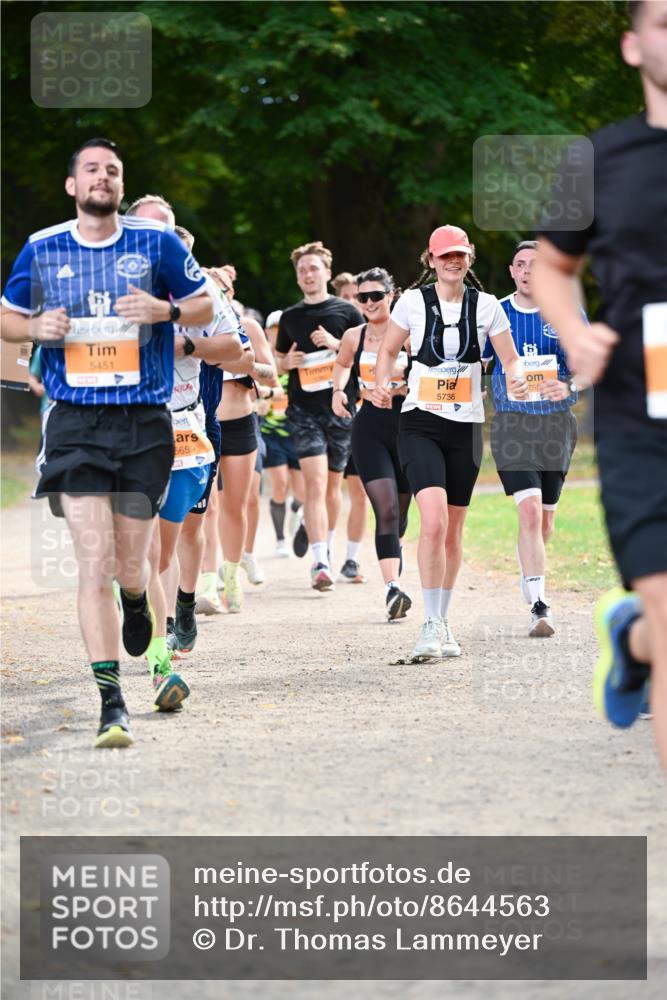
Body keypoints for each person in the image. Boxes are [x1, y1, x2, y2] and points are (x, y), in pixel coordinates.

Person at [0, 138, 214, 747]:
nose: (102, 177)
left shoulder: (157, 244)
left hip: (145, 422)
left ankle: (138, 600)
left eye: (112, 171)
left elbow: (203, 305)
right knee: (92, 560)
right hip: (76, 423)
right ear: (73, 185)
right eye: (91, 169)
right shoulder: (44, 247)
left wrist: (163, 311)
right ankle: (111, 701)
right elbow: (6, 317)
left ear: (121, 185)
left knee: (129, 561)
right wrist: (35, 326)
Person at [532, 0, 667, 768]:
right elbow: (554, 264)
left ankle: (631, 635)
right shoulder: (598, 159)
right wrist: (575, 332)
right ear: (629, 45)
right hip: (640, 421)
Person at [373, 225, 528, 660]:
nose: (453, 262)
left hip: (465, 428)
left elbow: (510, 359)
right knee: (434, 522)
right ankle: (428, 623)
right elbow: (387, 351)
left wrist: (516, 382)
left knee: (454, 529)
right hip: (420, 423)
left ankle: (443, 619)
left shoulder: (487, 308)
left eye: (459, 255)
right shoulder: (412, 303)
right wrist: (382, 384)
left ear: (470, 258)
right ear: (431, 260)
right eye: (445, 256)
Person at [483, 240, 580, 637]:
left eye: (535, 265)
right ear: (511, 271)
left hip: (556, 425)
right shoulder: (494, 312)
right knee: (530, 512)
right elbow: (475, 363)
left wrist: (569, 385)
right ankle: (541, 605)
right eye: (520, 265)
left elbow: (585, 365)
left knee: (545, 521)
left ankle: (530, 568)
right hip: (512, 425)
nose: (527, 271)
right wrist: (486, 386)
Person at [274, 241, 364, 591]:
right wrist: (288, 363)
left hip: (340, 409)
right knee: (314, 484)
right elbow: (279, 358)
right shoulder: (290, 317)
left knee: (331, 488)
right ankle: (321, 561)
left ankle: (322, 543)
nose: (308, 275)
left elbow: (365, 355)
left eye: (313, 269)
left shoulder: (348, 312)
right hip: (303, 411)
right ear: (298, 278)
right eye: (302, 271)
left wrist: (334, 343)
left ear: (327, 273)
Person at [332, 267, 413, 619]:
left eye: (376, 296)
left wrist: (402, 388)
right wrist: (338, 390)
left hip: (410, 427)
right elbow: (341, 363)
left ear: (391, 296)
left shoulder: (410, 332)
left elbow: (426, 370)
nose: (369, 302)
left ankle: (393, 550)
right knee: (386, 509)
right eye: (362, 297)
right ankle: (392, 589)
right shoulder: (354, 335)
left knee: (402, 511)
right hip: (368, 427)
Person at [213, 276, 278, 612]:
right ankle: (208, 582)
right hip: (202, 423)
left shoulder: (247, 326)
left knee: (235, 505)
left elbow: (272, 376)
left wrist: (246, 366)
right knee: (205, 507)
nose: (215, 296)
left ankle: (233, 574)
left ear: (231, 293)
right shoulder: (192, 329)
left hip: (241, 423)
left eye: (220, 290)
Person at [261, 309, 304, 558]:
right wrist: (260, 406)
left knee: (301, 492)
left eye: (282, 330)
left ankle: (295, 510)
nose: (279, 334)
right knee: (279, 485)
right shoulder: (263, 360)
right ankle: (280, 540)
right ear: (268, 332)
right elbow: (251, 392)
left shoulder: (299, 358)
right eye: (275, 330)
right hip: (271, 433)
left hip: (297, 433)